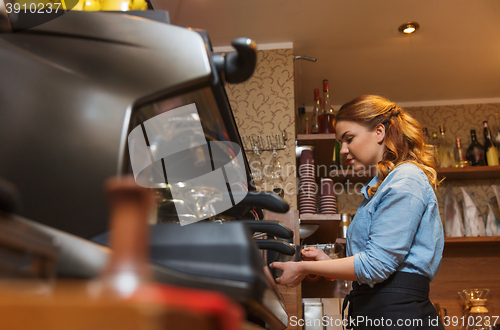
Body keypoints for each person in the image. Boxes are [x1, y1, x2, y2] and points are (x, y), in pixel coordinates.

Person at [270, 95, 445, 329]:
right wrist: (327, 261)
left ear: (379, 132)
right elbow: (375, 262)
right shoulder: (380, 187)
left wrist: (305, 267)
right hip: (379, 312)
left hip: (397, 315)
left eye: (348, 139)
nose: (343, 150)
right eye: (340, 142)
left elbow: (376, 266)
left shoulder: (406, 179)